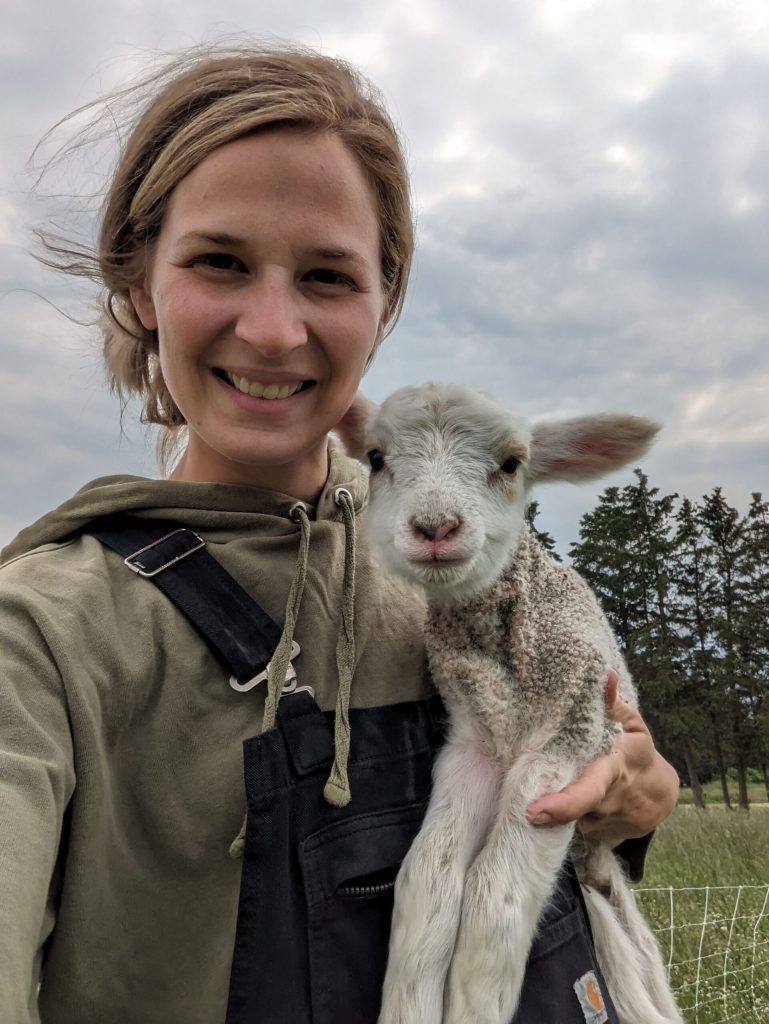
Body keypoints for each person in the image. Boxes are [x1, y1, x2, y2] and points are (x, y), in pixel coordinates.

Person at [0, 44, 679, 1024]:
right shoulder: (46, 634)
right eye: (220, 262)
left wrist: (632, 800)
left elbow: (618, 777)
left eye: (325, 275)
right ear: (142, 282)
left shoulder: (483, 567)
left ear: (385, 301)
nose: (274, 329)